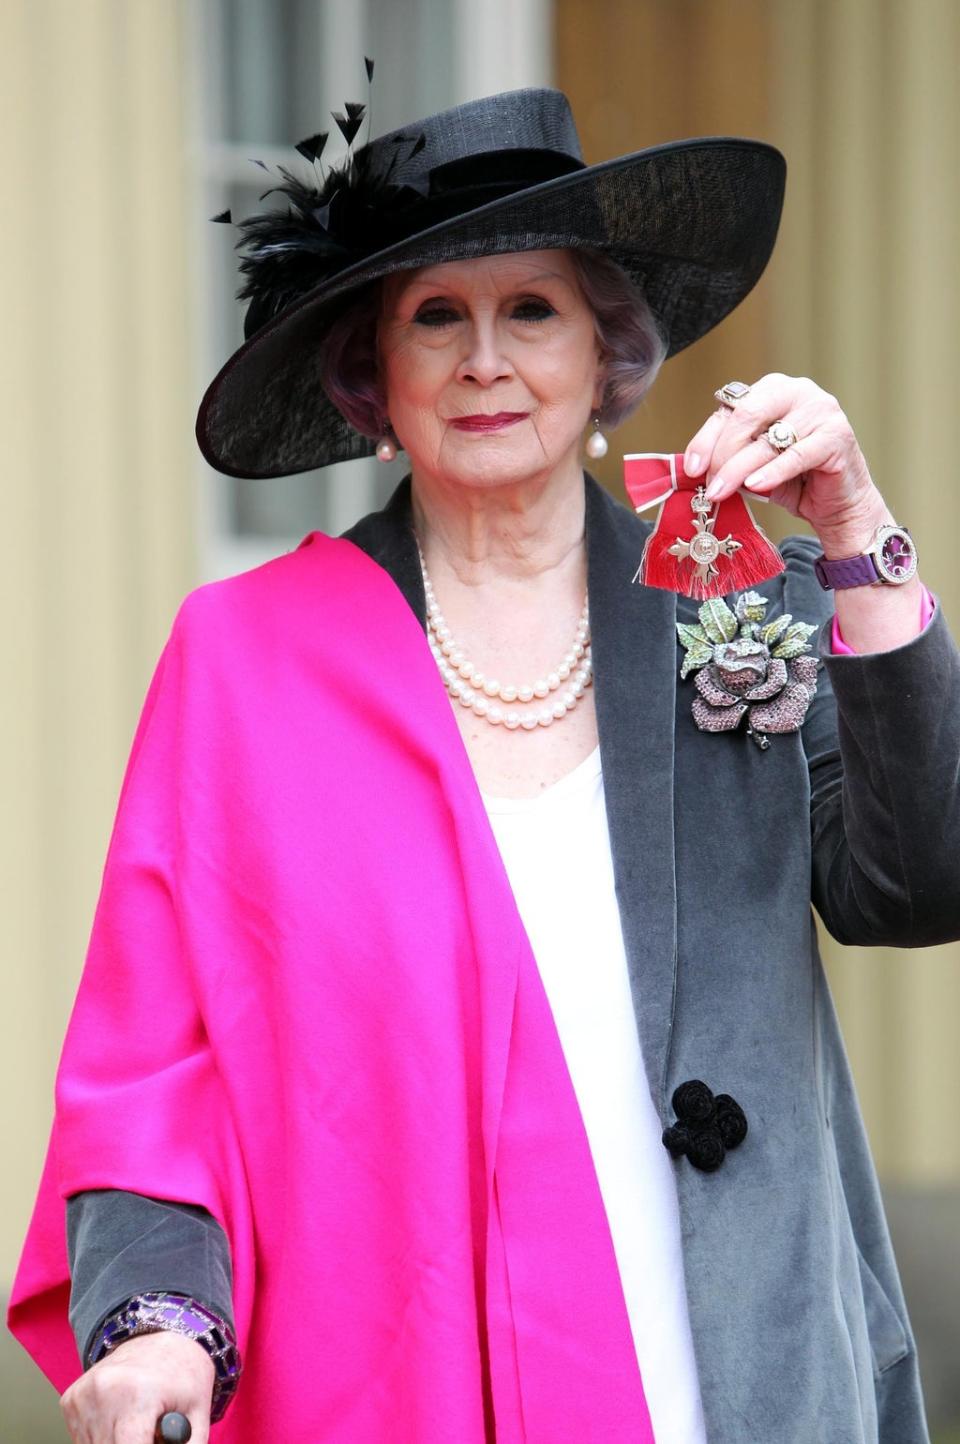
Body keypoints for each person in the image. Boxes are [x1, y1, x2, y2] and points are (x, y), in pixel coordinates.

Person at [9, 87, 959, 1444]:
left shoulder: (744, 598)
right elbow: (154, 1064)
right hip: (404, 1376)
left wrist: (859, 531)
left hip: (751, 1367)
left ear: (607, 354)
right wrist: (158, 1322)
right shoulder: (247, 661)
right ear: (373, 378)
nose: (485, 360)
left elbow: (921, 884)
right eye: (435, 316)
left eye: (533, 310)